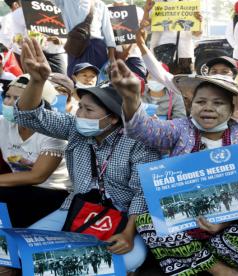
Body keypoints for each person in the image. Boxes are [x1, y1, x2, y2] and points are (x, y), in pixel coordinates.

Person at [14, 38, 159, 273]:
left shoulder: (139, 142)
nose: (79, 113)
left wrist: (128, 234)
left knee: (128, 261)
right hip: (76, 209)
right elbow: (28, 116)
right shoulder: (74, 127)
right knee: (24, 251)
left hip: (124, 217)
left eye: (89, 110)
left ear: (113, 118)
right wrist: (37, 80)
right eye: (80, 106)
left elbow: (143, 194)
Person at [113, 59, 238, 275]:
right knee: (147, 223)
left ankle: (185, 259)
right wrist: (131, 98)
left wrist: (223, 224)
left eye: (218, 103)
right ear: (189, 104)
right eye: (201, 102)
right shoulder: (181, 128)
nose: (208, 108)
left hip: (224, 224)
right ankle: (215, 267)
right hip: (177, 221)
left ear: (233, 107)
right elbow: (143, 130)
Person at [0, 74, 70, 228]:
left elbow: (37, 176)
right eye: (8, 96)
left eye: (17, 99)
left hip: (51, 193)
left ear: (38, 104)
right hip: (17, 187)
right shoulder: (3, 123)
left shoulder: (54, 132)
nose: (9, 103)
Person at [50, 0, 116, 77]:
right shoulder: (65, 2)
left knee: (99, 81)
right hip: (75, 47)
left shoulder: (100, 4)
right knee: (75, 80)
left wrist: (112, 57)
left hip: (97, 48)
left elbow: (108, 31)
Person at [143, 0, 203, 74]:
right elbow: (146, 28)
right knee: (166, 83)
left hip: (184, 54)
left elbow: (197, 34)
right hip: (163, 53)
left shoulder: (190, 5)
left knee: (185, 83)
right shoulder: (158, 4)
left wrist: (199, 22)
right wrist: (146, 10)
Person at [110, 0, 147, 81]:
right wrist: (113, 54)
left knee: (138, 84)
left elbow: (142, 35)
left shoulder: (138, 10)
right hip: (111, 58)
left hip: (134, 56)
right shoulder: (105, 9)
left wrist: (128, 51)